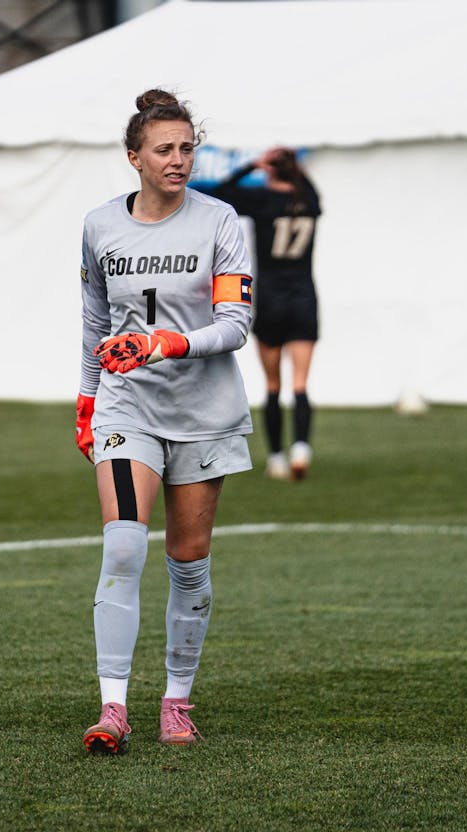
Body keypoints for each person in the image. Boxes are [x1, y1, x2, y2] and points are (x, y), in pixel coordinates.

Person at [76, 89, 254, 754]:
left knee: (188, 560)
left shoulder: (221, 221)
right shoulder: (100, 226)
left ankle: (176, 698)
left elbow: (236, 325)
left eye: (187, 148)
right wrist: (87, 399)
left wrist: (169, 342)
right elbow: (95, 321)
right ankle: (113, 708)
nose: (179, 160)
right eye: (165, 150)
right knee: (123, 546)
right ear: (135, 158)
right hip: (129, 409)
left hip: (206, 417)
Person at [199, 148, 322, 480]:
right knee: (300, 383)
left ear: (270, 171)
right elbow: (309, 189)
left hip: (270, 299)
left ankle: (277, 457)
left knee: (272, 384)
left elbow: (218, 193)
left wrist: (250, 166)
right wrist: (293, 168)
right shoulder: (308, 200)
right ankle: (301, 448)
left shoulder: (263, 199)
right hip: (304, 298)